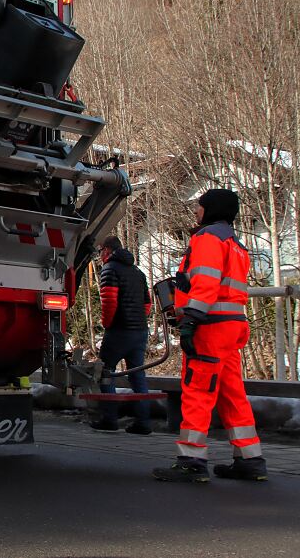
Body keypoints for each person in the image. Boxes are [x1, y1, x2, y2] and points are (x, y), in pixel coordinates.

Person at [153, 188, 266, 483]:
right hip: (233, 326)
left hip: (211, 327)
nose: (196, 211)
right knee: (232, 393)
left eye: (199, 206)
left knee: (198, 391)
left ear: (211, 209)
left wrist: (191, 319)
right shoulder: (236, 244)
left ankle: (192, 459)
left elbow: (205, 283)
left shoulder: (207, 239)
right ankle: (250, 460)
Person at [90, 235, 152, 435]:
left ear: (107, 250)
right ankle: (143, 422)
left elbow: (109, 300)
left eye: (100, 252)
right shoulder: (138, 272)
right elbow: (147, 303)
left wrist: (107, 323)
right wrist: (140, 321)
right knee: (137, 374)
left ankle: (110, 419)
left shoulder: (109, 269)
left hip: (119, 330)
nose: (99, 256)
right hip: (140, 330)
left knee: (105, 372)